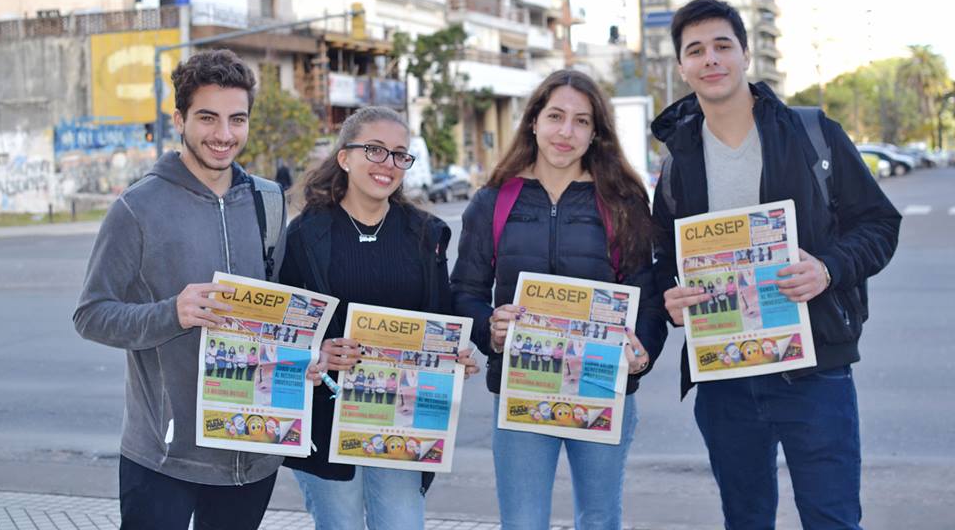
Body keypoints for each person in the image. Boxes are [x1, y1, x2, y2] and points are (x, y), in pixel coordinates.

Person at [652, 0, 901, 530]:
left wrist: (828, 269)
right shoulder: (677, 163)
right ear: (682, 67)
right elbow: (664, 263)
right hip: (725, 376)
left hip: (815, 369)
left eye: (722, 45)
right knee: (746, 520)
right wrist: (671, 296)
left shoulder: (812, 134)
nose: (710, 59)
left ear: (746, 54)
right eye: (696, 50)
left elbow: (880, 224)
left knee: (832, 519)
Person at [72, 49, 326, 530]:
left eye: (237, 119)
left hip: (252, 451)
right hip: (164, 456)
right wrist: (172, 312)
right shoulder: (137, 207)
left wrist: (302, 357)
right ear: (180, 120)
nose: (224, 134)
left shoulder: (269, 201)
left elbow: (281, 310)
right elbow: (91, 314)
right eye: (208, 117)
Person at [451, 69, 669, 529]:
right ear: (534, 121)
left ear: (595, 133)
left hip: (602, 387)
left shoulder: (623, 202)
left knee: (600, 519)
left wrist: (643, 353)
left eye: (581, 121)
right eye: (555, 116)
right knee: (523, 523)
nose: (566, 132)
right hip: (521, 392)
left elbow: (648, 300)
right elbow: (465, 293)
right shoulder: (492, 202)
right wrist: (489, 327)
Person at [277, 106, 479, 530]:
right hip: (326, 420)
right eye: (374, 149)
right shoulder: (305, 235)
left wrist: (453, 356)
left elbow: (439, 319)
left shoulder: (426, 234)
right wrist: (319, 351)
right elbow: (285, 328)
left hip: (402, 421)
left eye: (399, 154)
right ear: (344, 157)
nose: (388, 163)